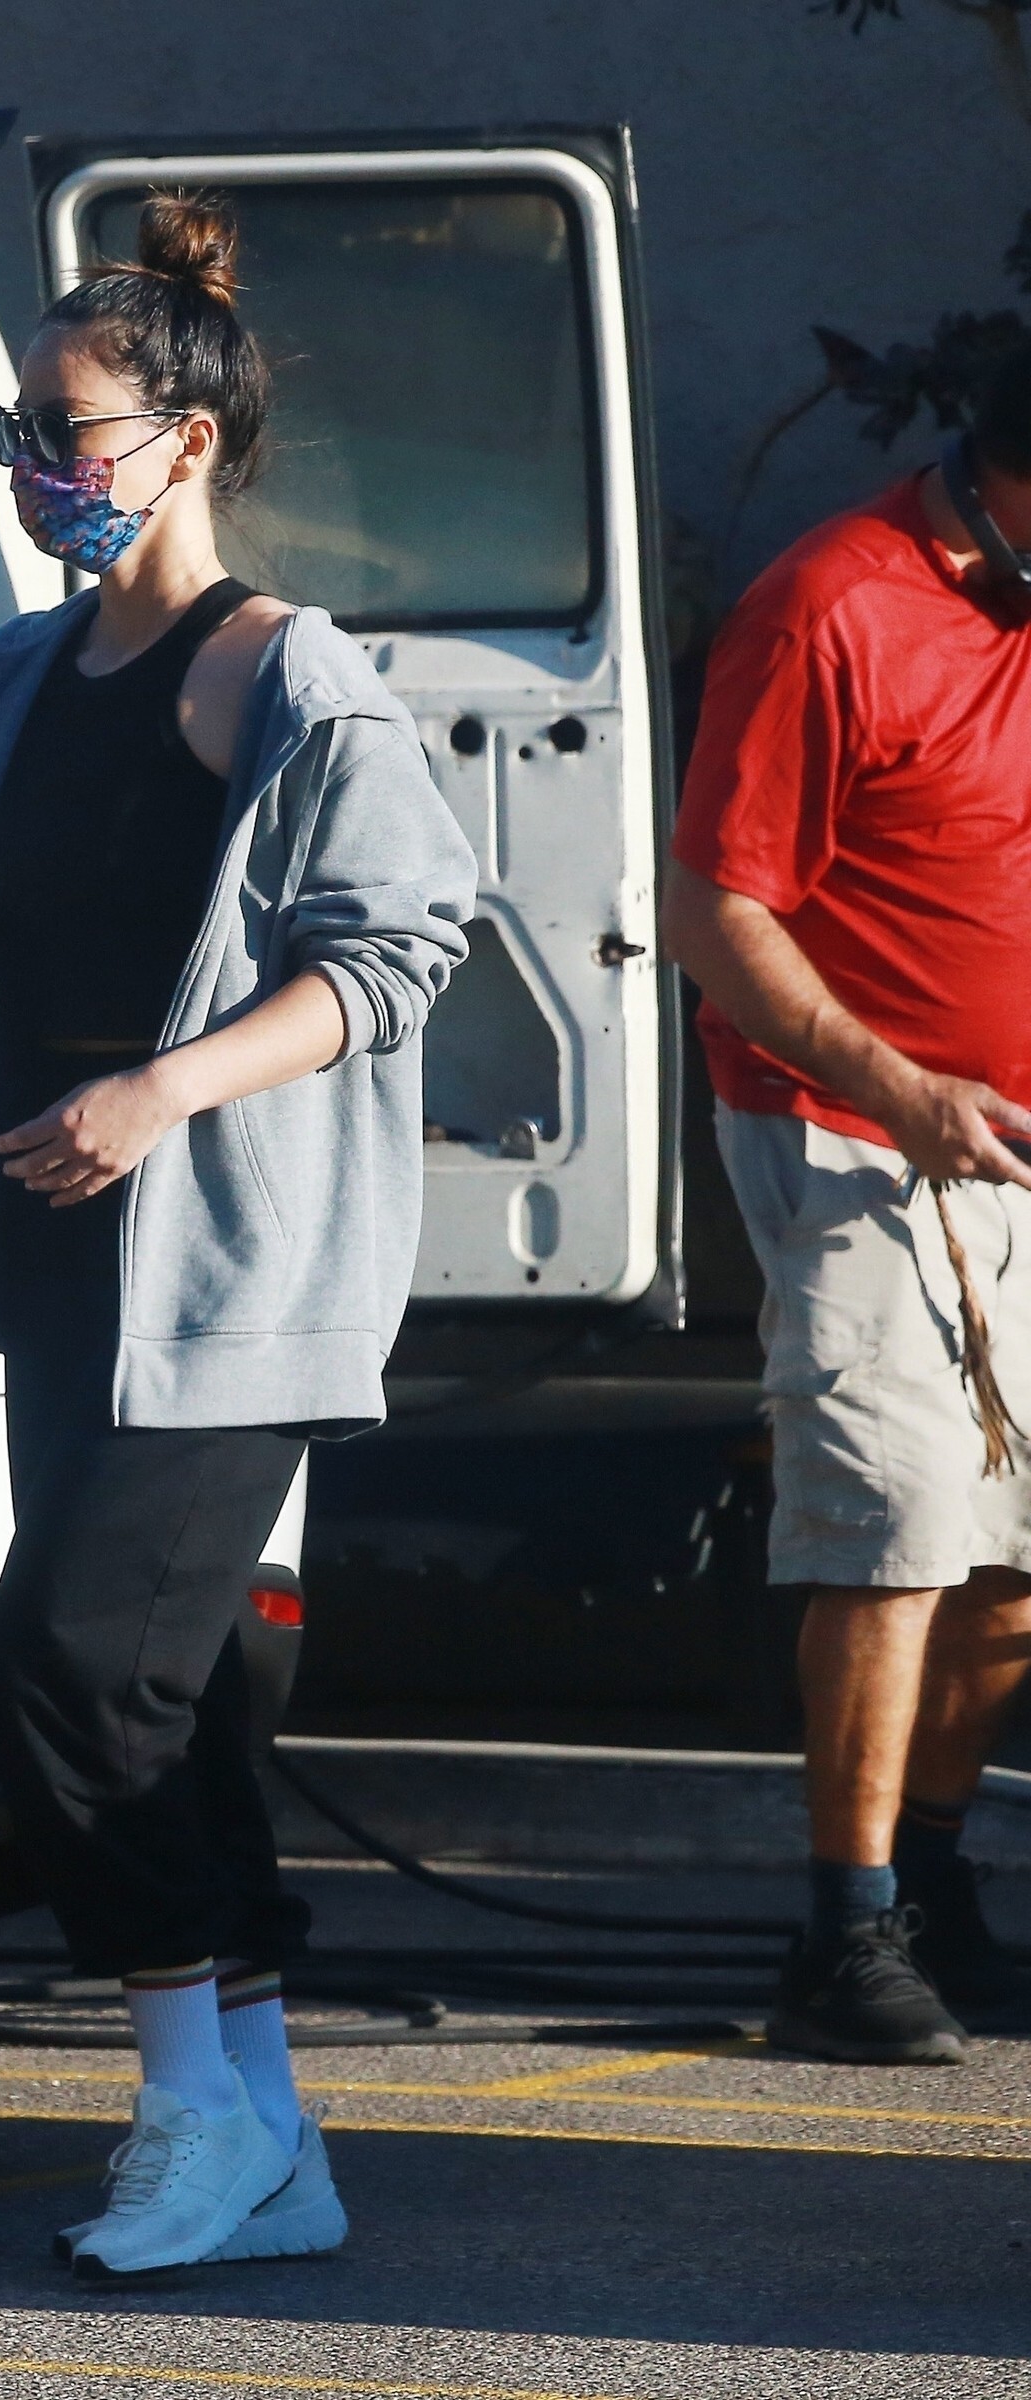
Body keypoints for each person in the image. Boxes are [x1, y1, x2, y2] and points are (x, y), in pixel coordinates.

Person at [0, 192, 476, 2273]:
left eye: (68, 435)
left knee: (72, 1667)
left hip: (233, 1264)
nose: (37, 470)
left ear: (184, 441)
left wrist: (161, 1090)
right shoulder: (16, 675)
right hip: (53, 1247)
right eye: (14, 432)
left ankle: (186, 2110)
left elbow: (398, 952)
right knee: (169, 1698)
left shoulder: (289, 673)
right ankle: (265, 2136)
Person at [664, 340, 1031, 2065]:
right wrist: (898, 1086)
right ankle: (845, 1931)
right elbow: (713, 914)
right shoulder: (832, 606)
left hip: (1008, 1142)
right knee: (894, 1531)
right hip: (852, 1133)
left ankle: (934, 1888)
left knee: (1011, 1563)